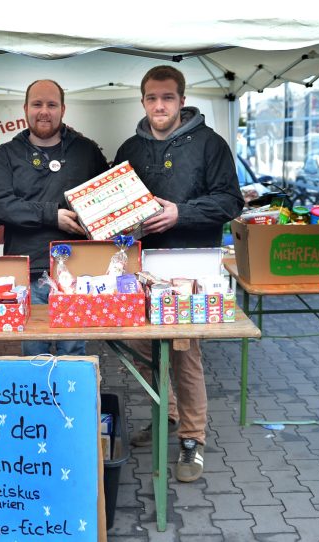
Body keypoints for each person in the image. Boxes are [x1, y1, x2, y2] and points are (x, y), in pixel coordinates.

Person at [114, 65, 244, 482]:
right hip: (143, 268)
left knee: (185, 354)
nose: (159, 105)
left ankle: (192, 439)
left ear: (182, 100)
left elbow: (230, 202)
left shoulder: (211, 145)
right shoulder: (129, 149)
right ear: (143, 101)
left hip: (190, 268)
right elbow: (118, 206)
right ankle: (166, 416)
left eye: (167, 98)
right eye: (152, 98)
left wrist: (180, 213)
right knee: (151, 351)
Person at [0, 79, 108, 356]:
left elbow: (104, 199)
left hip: (76, 273)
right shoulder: (7, 154)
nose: (44, 111)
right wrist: (51, 215)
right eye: (37, 104)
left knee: (73, 353)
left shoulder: (86, 151)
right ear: (25, 108)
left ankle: (70, 400)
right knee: (34, 355)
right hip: (28, 273)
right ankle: (40, 400)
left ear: (63, 109)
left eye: (51, 104)